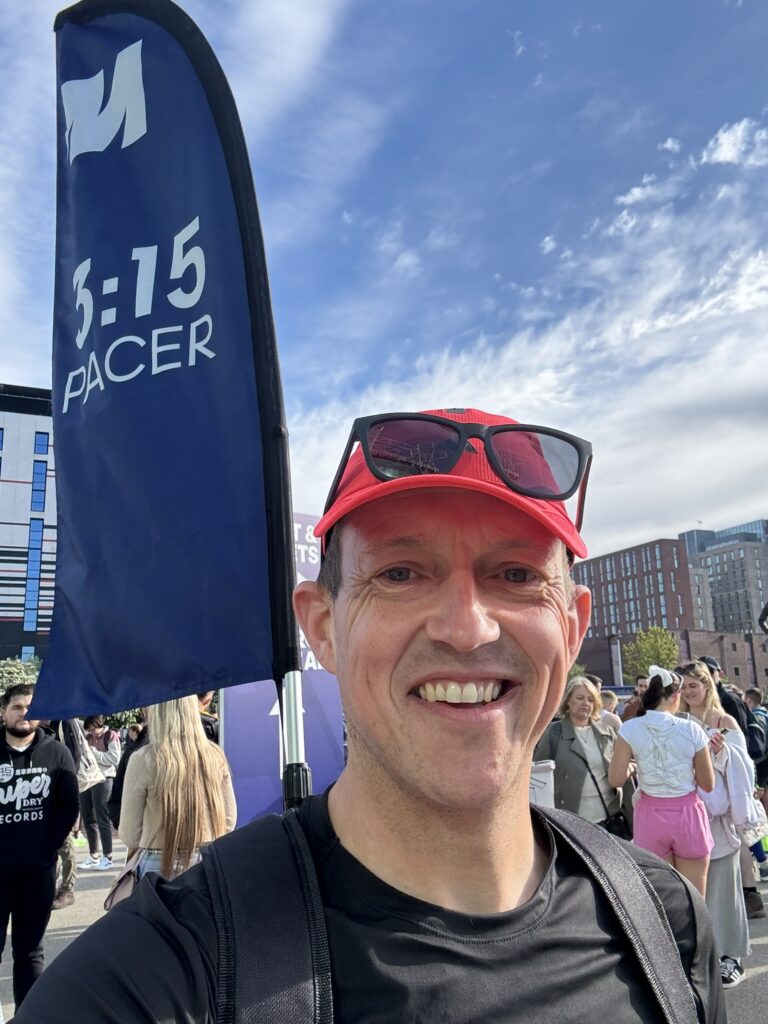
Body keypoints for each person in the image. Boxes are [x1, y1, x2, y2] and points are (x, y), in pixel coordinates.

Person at [16, 407, 725, 1023]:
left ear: (571, 629)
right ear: (323, 627)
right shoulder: (160, 974)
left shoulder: (664, 923)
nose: (466, 628)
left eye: (516, 575)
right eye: (400, 574)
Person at [0, 685, 79, 1012]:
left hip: (37, 874)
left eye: (30, 707)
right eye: (17, 707)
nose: (24, 713)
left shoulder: (57, 753)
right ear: (3, 712)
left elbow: (69, 806)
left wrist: (47, 848)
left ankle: (27, 1016)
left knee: (30, 953)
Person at [610, 666, 716, 895]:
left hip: (650, 815)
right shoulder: (692, 729)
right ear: (676, 696)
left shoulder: (629, 728)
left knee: (660, 898)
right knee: (695, 897)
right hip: (687, 814)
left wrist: (634, 767)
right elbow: (708, 784)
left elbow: (615, 779)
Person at [680, 661, 754, 988]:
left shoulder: (725, 722)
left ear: (707, 686)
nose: (687, 692)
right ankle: (704, 954)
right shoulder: (679, 722)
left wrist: (721, 756)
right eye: (683, 687)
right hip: (687, 816)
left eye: (693, 685)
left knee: (725, 887)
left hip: (719, 819)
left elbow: (744, 769)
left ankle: (731, 956)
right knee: (697, 891)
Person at [118, 696, 236, 879]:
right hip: (208, 861)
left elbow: (130, 835)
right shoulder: (215, 756)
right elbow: (229, 821)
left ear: (157, 712)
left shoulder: (143, 759)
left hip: (158, 863)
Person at [534, 677, 627, 834]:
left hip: (609, 818)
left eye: (590, 699)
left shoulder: (606, 732)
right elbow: (539, 776)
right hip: (573, 821)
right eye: (579, 698)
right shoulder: (554, 732)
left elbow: (619, 768)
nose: (585, 703)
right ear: (568, 701)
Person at [77, 714, 121, 870]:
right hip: (88, 779)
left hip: (103, 779)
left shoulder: (111, 735)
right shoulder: (88, 738)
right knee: (88, 817)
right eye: (88, 730)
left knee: (102, 817)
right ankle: (93, 855)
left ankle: (108, 856)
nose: (91, 732)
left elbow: (114, 759)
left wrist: (94, 753)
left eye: (92, 729)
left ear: (99, 725)